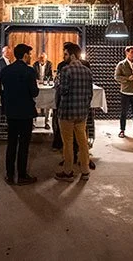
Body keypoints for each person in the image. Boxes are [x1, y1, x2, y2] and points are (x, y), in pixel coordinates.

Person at [0, 43, 39, 186]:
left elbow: (1, 92)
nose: (31, 57)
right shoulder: (29, 71)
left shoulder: (5, 71)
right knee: (23, 145)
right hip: (26, 113)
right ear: (25, 55)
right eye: (30, 54)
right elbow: (34, 92)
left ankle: (10, 175)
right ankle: (22, 175)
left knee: (11, 143)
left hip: (11, 112)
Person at [55, 42, 93, 182]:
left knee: (68, 143)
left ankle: (68, 172)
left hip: (67, 113)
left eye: (65, 54)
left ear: (71, 55)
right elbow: (90, 94)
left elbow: (63, 91)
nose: (63, 57)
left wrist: (58, 86)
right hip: (82, 113)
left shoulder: (66, 70)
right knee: (83, 142)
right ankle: (85, 171)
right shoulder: (87, 71)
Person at [114, 46, 133, 138]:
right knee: (124, 112)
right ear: (126, 53)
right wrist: (127, 78)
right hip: (125, 93)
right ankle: (122, 130)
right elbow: (116, 77)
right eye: (131, 52)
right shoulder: (121, 65)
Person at [33, 52, 53, 129]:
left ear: (46, 59)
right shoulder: (35, 65)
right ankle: (34, 123)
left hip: (45, 86)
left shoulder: (49, 64)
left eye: (43, 58)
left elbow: (50, 75)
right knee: (34, 104)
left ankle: (47, 122)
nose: (42, 60)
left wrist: (46, 80)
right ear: (38, 59)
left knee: (49, 103)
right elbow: (34, 75)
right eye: (40, 58)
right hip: (37, 86)